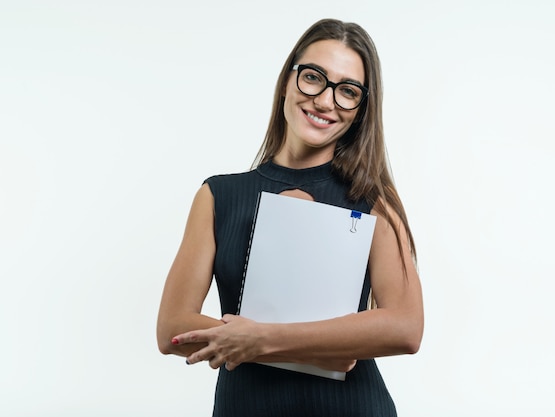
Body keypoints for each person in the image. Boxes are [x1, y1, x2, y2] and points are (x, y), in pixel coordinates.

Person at [157, 18, 424, 417]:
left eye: (347, 91)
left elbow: (405, 328)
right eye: (314, 78)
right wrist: (322, 350)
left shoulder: (374, 200)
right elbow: (173, 329)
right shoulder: (218, 196)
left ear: (360, 109)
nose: (325, 101)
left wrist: (262, 340)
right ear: (288, 79)